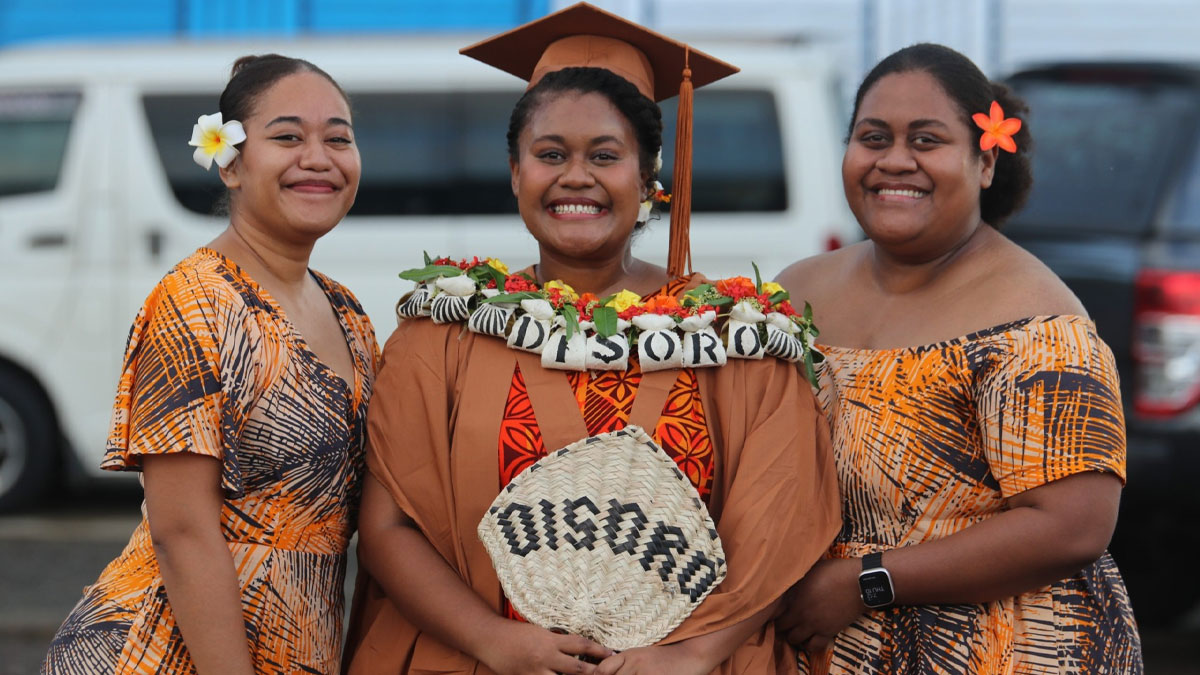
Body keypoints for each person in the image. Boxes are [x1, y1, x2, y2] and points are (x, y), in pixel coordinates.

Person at [341, 4, 840, 674]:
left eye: (605, 155)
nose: (575, 176)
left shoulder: (734, 337)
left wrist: (687, 657)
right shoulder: (443, 335)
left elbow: (780, 533)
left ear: (649, 177)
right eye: (550, 155)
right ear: (516, 172)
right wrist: (493, 639)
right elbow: (389, 526)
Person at [773, 43, 1143, 673]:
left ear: (986, 162)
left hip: (1006, 652)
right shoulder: (797, 291)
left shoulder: (1036, 322)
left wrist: (865, 582)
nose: (895, 160)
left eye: (926, 140)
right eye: (873, 137)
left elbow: (1073, 527)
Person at [42, 54, 377, 674]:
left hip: (298, 643)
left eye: (338, 139)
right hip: (164, 653)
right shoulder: (196, 301)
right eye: (287, 137)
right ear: (230, 163)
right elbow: (182, 532)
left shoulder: (348, 313)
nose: (318, 158)